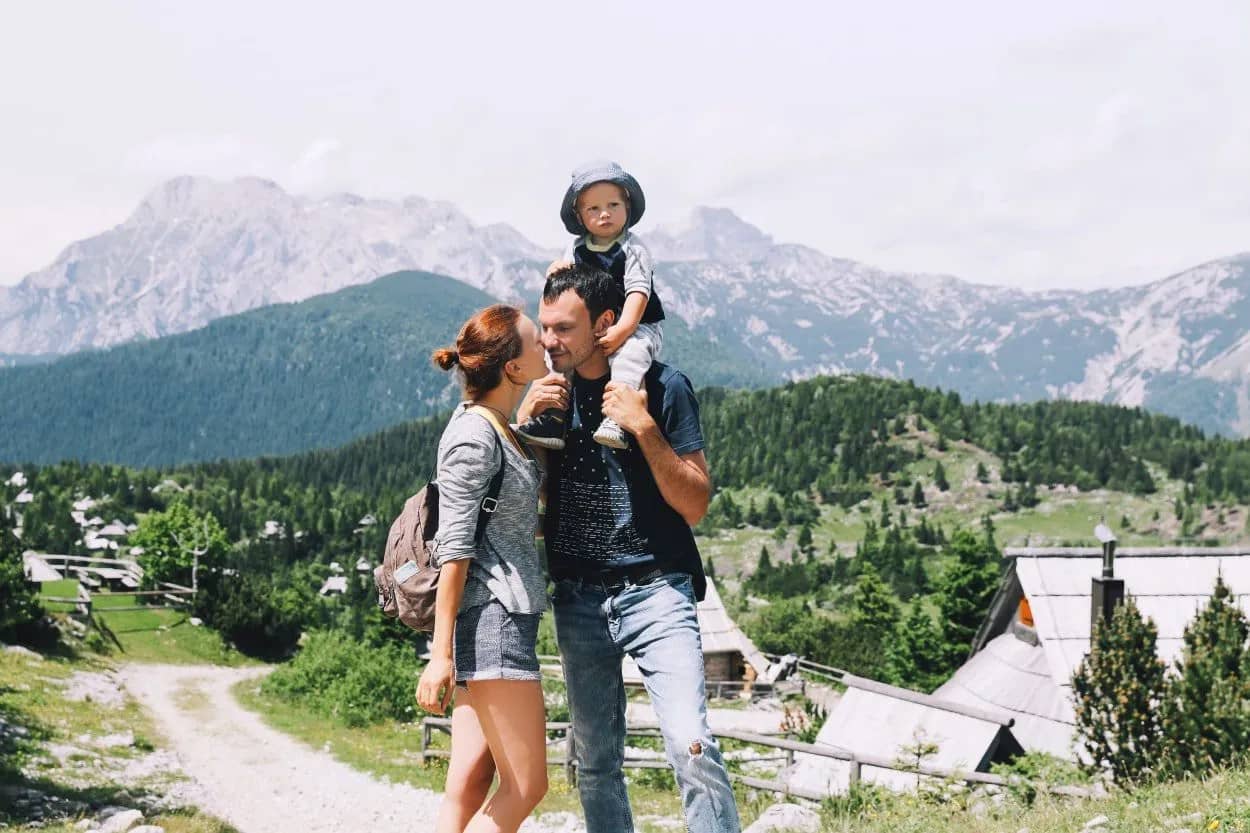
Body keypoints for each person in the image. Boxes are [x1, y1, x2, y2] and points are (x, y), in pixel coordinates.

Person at [518, 264, 741, 833]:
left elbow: (694, 504)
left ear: (606, 323)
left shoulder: (664, 387)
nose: (549, 341)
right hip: (577, 598)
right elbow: (527, 507)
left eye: (564, 328)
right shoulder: (549, 394)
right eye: (545, 328)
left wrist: (644, 428)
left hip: (656, 589)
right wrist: (522, 425)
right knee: (593, 763)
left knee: (691, 744)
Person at [417, 303, 552, 833]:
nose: (545, 344)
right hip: (494, 622)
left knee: (469, 783)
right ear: (513, 368)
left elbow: (501, 526)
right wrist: (439, 656)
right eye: (534, 341)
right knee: (527, 785)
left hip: (488, 622)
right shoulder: (476, 436)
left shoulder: (495, 425)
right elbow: (455, 550)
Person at [516, 160, 664, 451]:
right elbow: (564, 285)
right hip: (590, 327)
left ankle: (617, 419)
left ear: (628, 207)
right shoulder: (575, 248)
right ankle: (554, 416)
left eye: (613, 205)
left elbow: (638, 293)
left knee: (629, 358)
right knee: (556, 360)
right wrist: (556, 270)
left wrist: (623, 329)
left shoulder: (634, 249)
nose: (604, 214)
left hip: (637, 326)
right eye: (593, 209)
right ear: (580, 216)